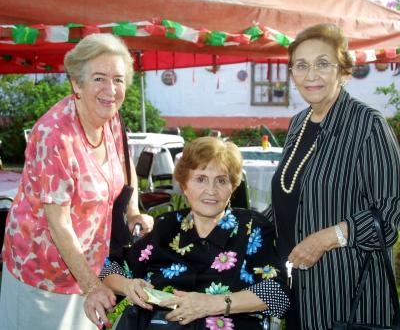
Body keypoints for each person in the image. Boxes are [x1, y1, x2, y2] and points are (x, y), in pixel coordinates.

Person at [0, 33, 153, 330]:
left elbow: (124, 162)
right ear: (76, 83)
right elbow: (59, 223)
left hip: (90, 264)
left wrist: (133, 209)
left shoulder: (112, 118)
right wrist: (93, 286)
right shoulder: (54, 135)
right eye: (99, 78)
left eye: (118, 79)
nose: (111, 90)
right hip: (42, 273)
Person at [267, 23, 400, 329]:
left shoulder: (368, 125)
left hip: (345, 295)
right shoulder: (298, 124)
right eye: (301, 65)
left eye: (322, 64)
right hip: (296, 290)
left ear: (344, 72)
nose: (310, 74)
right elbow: (289, 200)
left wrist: (328, 238)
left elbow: (391, 213)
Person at [85, 136, 290, 329]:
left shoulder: (251, 228)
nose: (211, 190)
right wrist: (129, 286)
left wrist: (213, 304)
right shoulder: (167, 226)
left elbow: (278, 294)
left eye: (221, 180)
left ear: (233, 187)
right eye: (201, 179)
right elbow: (110, 270)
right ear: (184, 185)